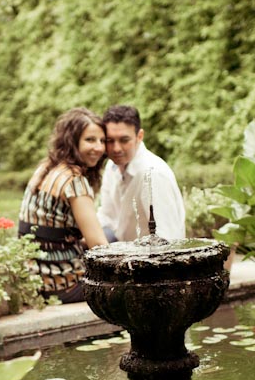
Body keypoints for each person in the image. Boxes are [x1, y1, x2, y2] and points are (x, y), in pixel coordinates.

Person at [19, 107, 109, 303]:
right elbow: (99, 246)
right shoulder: (74, 181)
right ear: (72, 141)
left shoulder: (47, 168)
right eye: (90, 140)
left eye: (102, 141)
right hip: (62, 283)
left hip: (34, 275)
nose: (99, 148)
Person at [97, 105, 186, 241]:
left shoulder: (153, 174)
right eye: (110, 141)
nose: (116, 148)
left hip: (148, 257)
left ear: (139, 136)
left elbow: (168, 237)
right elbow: (107, 217)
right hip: (121, 250)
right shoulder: (111, 166)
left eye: (124, 140)